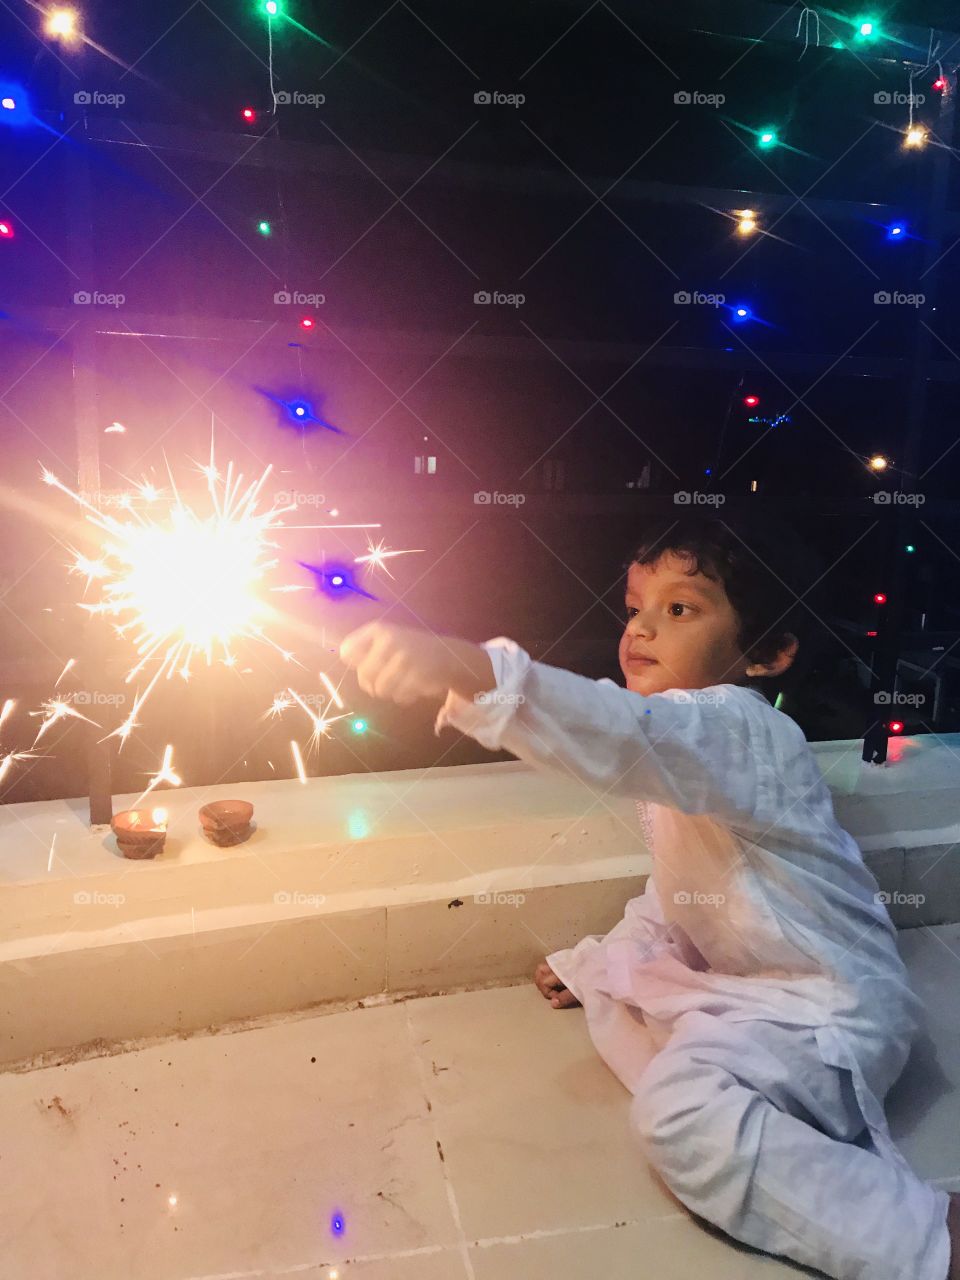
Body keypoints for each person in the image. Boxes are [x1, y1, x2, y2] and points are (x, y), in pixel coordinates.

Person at [339, 513, 960, 1280]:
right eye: (635, 606)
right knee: (672, 1068)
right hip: (774, 997)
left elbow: (625, 732)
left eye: (681, 609)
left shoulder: (743, 731)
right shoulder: (689, 759)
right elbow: (676, 892)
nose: (640, 628)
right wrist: (601, 957)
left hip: (837, 1011)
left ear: (768, 653)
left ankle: (926, 1238)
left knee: (680, 1110)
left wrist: (470, 668)